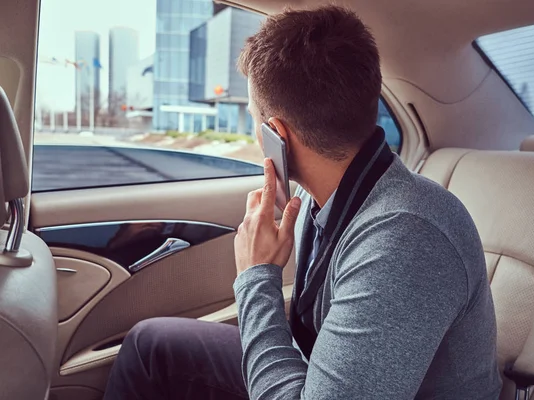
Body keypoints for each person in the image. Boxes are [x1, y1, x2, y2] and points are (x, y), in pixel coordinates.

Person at [103, 5, 501, 400]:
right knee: (151, 345)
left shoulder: (407, 239)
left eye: (253, 119)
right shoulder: (326, 193)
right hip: (319, 371)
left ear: (276, 134)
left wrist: (257, 276)